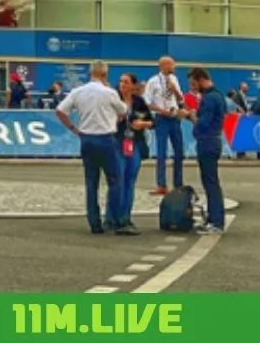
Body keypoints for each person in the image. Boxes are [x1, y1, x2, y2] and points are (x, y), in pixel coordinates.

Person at [54, 61, 129, 236]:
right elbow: (124, 111)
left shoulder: (78, 91)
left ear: (90, 73)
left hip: (87, 138)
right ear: (105, 74)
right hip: (106, 138)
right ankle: (114, 220)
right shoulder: (109, 92)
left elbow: (60, 110)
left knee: (91, 181)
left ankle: (94, 222)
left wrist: (73, 128)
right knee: (115, 180)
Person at [111, 73, 154, 234]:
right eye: (121, 81)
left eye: (126, 82)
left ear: (133, 85)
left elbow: (152, 122)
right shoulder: (113, 99)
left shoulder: (139, 102)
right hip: (116, 143)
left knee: (129, 181)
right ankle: (111, 218)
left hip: (133, 143)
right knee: (117, 181)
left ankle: (125, 218)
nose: (123, 84)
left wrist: (143, 124)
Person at [187, 67, 226, 234]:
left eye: (194, 84)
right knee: (210, 182)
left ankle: (216, 222)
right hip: (213, 140)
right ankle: (213, 219)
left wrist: (190, 115)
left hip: (207, 142)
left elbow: (203, 122)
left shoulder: (209, 98)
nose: (193, 88)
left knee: (210, 183)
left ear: (201, 80)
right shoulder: (218, 95)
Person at [142, 56, 185, 194]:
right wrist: (161, 111)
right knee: (161, 152)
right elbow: (147, 102)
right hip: (162, 118)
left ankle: (178, 184)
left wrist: (175, 90)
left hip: (175, 117)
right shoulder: (153, 81)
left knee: (179, 152)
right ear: (163, 66)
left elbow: (181, 99)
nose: (174, 67)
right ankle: (161, 185)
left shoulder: (174, 79)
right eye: (171, 65)